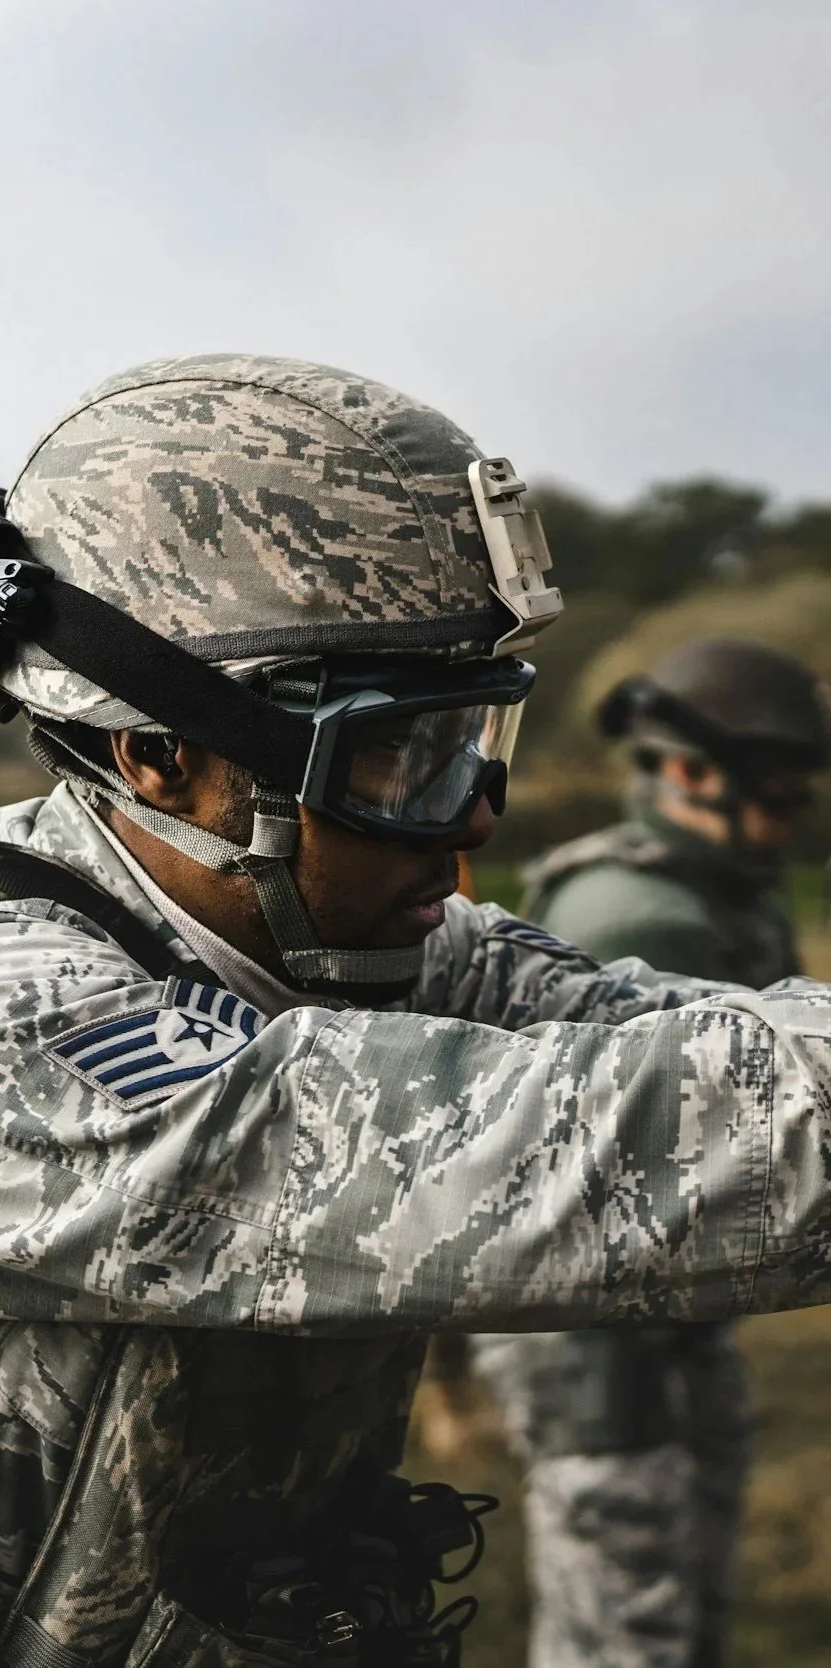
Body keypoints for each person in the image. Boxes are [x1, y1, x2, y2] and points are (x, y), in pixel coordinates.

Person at [0, 355, 830, 1668]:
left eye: (472, 744)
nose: (469, 827)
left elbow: (673, 1038)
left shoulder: (353, 939)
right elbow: (604, 1146)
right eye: (395, 755)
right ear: (154, 750)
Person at [472, 638, 830, 1668]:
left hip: (662, 1316)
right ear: (684, 771)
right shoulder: (641, 917)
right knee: (623, 1619)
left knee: (683, 1596)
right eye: (776, 789)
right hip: (597, 1339)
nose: (791, 813)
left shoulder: (715, 891)